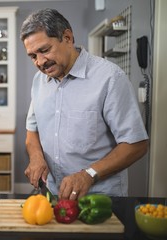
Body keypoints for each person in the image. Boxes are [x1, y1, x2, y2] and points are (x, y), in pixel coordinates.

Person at [20, 8, 149, 200]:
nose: (40, 62)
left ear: (68, 38)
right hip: (54, 194)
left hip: (100, 199)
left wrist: (89, 174)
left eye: (45, 50)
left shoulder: (110, 78)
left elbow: (136, 144)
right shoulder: (39, 81)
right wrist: (36, 156)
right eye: (32, 56)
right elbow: (32, 130)